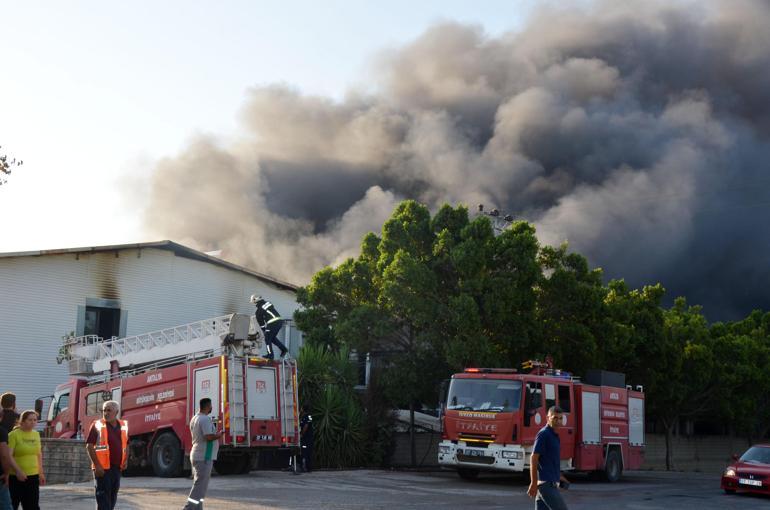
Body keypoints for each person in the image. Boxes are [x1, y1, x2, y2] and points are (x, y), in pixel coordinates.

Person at [85, 400, 128, 510]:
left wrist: (125, 460)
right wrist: (97, 466)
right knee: (103, 500)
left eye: (109, 410)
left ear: (117, 412)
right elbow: (89, 446)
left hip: (116, 468)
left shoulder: (123, 425)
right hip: (102, 469)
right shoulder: (97, 425)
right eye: (104, 410)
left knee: (112, 498)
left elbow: (126, 444)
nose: (106, 413)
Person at [527, 406, 570, 510]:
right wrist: (533, 483)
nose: (558, 421)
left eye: (560, 418)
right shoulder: (544, 434)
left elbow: (550, 461)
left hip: (549, 484)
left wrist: (559, 476)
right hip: (546, 485)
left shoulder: (554, 436)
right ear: (547, 418)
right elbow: (534, 458)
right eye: (555, 418)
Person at [184, 398, 222, 510]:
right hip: (204, 457)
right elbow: (208, 437)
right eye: (211, 406)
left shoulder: (195, 418)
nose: (211, 408)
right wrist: (219, 435)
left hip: (198, 455)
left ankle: (198, 508)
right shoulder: (205, 419)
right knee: (200, 486)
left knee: (201, 486)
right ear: (207, 406)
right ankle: (188, 508)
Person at [8, 410, 44, 510]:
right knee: (13, 505)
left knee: (32, 506)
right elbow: (8, 456)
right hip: (16, 477)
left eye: (35, 420)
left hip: (33, 476)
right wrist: (18, 471)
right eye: (30, 420)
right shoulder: (13, 435)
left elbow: (38, 454)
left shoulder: (36, 434)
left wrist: (40, 473)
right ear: (22, 421)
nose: (33, 422)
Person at [250, 295, 288, 360]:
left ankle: (270, 355)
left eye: (253, 302)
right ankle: (284, 349)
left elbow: (261, 324)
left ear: (255, 301)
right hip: (279, 321)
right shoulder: (268, 303)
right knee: (272, 338)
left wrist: (264, 330)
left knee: (267, 338)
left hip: (273, 322)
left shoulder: (258, 311)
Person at [299, 406, 313, 473]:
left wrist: (302, 434)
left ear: (303, 409)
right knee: (304, 452)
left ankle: (307, 467)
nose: (300, 409)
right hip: (305, 438)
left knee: (306, 452)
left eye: (301, 408)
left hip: (307, 438)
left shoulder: (308, 416)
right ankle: (305, 467)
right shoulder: (303, 416)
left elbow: (306, 426)